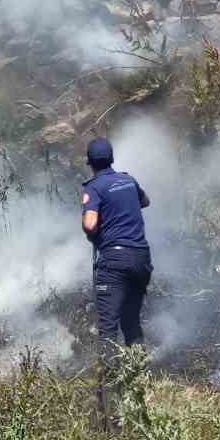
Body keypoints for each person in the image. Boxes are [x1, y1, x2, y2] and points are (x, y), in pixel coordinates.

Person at [80, 137, 152, 424]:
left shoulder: (93, 187)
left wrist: (93, 228)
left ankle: (109, 407)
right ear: (111, 159)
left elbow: (90, 224)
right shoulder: (128, 180)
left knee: (108, 331)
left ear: (91, 163)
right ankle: (139, 394)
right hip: (141, 258)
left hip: (114, 262)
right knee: (132, 325)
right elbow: (145, 201)